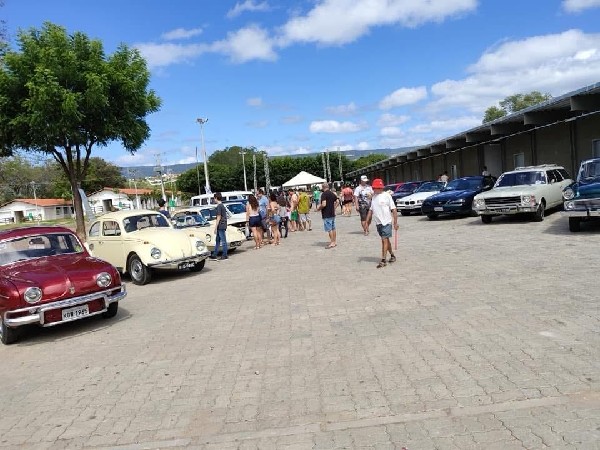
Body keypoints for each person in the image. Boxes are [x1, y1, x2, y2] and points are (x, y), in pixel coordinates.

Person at [366, 178, 398, 268]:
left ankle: (383, 260)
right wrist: (367, 222)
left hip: (386, 222)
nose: (374, 189)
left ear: (380, 188)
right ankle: (392, 255)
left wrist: (395, 223)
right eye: (374, 188)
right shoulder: (374, 197)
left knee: (384, 240)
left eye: (376, 188)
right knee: (386, 240)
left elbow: (394, 210)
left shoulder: (387, 196)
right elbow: (371, 210)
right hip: (378, 223)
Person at [317, 182, 338, 249]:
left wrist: (318, 208)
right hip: (332, 213)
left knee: (329, 229)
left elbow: (324, 204)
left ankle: (332, 242)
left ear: (323, 187)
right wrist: (334, 208)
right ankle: (334, 241)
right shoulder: (332, 193)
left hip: (326, 213)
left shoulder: (324, 194)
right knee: (333, 228)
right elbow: (337, 201)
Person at [209, 192, 228, 261]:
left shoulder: (219, 206)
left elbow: (218, 216)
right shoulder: (222, 205)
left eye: (214, 198)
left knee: (223, 240)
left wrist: (215, 227)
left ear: (216, 198)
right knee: (217, 240)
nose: (214, 200)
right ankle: (215, 254)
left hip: (221, 225)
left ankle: (225, 254)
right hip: (223, 224)